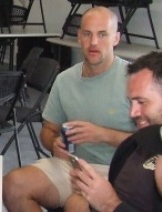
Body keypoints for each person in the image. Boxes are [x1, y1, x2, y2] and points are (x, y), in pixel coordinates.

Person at [2, 7, 137, 211]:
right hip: (72, 166)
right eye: (87, 34)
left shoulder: (133, 79)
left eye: (102, 35)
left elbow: (151, 143)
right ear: (79, 37)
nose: (93, 42)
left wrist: (103, 135)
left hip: (119, 170)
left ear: (116, 38)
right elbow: (49, 130)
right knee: (12, 185)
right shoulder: (65, 80)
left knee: (77, 205)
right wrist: (54, 144)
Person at [69, 52, 162, 211]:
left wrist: (109, 203)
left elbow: (112, 203)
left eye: (141, 102)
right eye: (131, 102)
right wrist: (93, 191)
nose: (132, 113)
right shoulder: (136, 143)